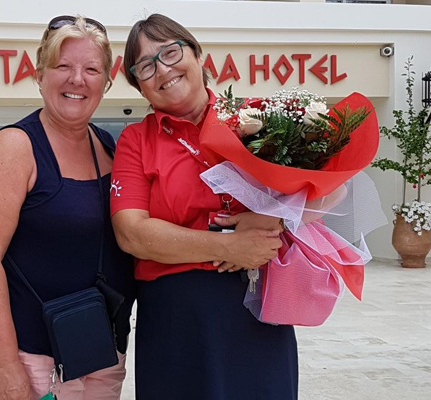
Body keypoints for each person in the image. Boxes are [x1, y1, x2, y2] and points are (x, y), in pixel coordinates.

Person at [111, 14, 298, 400]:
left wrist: (273, 220)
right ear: (140, 86)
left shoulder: (255, 119)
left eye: (170, 52)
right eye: (146, 66)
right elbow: (132, 233)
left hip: (257, 306)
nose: (163, 69)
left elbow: (328, 191)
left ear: (198, 56)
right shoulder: (136, 140)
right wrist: (229, 245)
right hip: (175, 319)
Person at [0, 15, 135, 400]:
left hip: (97, 352)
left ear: (106, 82)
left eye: (91, 69)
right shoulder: (14, 147)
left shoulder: (107, 146)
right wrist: (6, 369)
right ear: (39, 75)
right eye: (63, 66)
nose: (77, 79)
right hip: (28, 357)